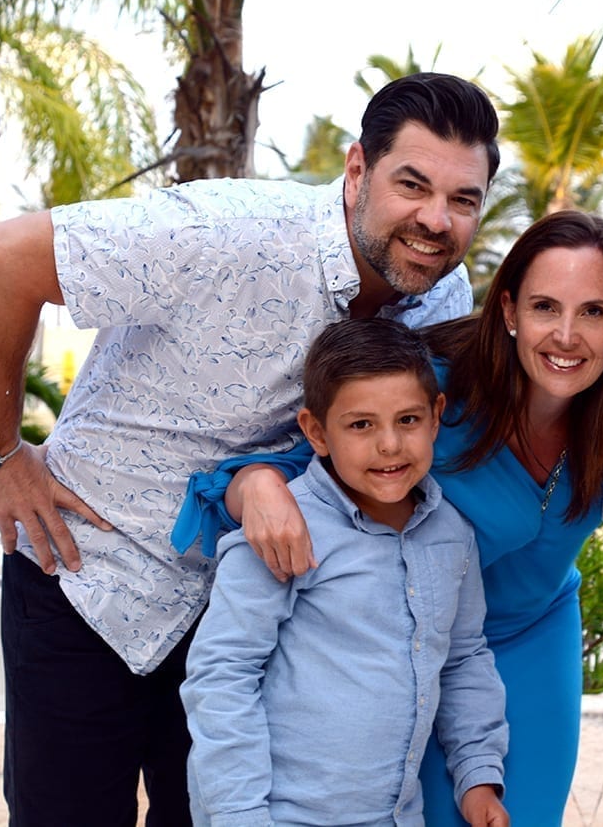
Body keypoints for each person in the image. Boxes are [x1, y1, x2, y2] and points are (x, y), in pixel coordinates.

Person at [0, 72, 501, 826]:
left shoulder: (442, 295)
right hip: (87, 577)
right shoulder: (225, 231)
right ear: (356, 171)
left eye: (463, 200)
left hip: (243, 612)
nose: (436, 219)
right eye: (412, 184)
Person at [201, 210, 603, 826]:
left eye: (594, 311)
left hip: (528, 634)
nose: (567, 334)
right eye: (545, 307)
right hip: (411, 642)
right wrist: (259, 484)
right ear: (509, 311)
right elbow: (316, 459)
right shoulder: (426, 398)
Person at [181, 319, 509, 827]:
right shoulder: (283, 529)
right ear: (317, 432)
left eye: (408, 420)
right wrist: (239, 813)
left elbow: (463, 657)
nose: (390, 446)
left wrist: (477, 776)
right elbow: (223, 673)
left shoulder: (452, 533)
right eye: (361, 425)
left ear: (436, 416)